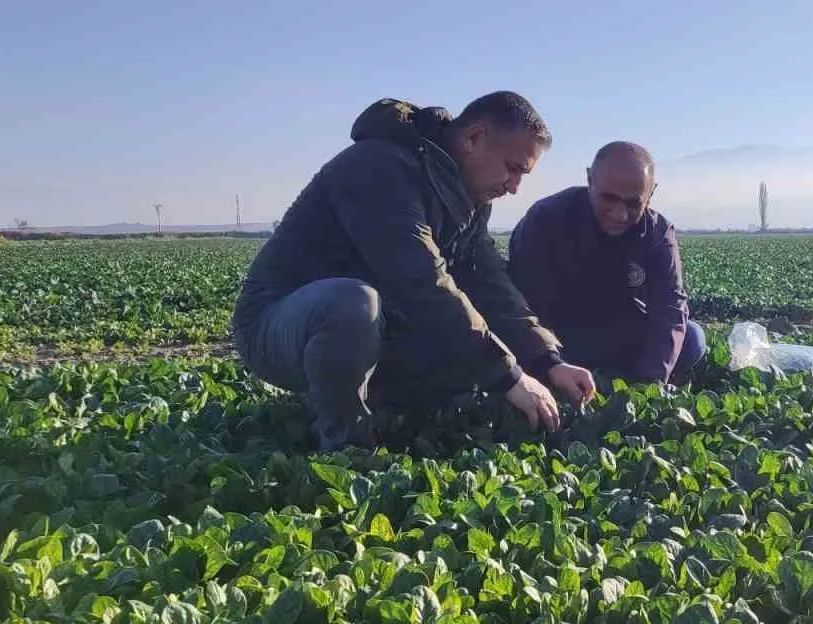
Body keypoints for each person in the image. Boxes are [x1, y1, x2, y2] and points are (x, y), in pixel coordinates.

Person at [230, 93, 596, 451]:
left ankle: (387, 409)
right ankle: (346, 444)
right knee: (354, 303)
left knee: (459, 348)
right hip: (276, 326)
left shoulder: (469, 197)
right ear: (474, 138)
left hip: (378, 323)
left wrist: (548, 362)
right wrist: (510, 376)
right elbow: (420, 282)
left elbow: (492, 286)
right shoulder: (378, 167)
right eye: (513, 168)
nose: (515, 187)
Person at [506, 141, 706, 387]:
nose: (620, 214)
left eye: (634, 203)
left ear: (651, 193)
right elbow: (520, 303)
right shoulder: (546, 218)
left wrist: (650, 385)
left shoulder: (658, 234)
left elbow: (670, 308)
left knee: (692, 338)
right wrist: (550, 361)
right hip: (558, 331)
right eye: (609, 199)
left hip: (614, 332)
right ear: (590, 181)